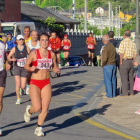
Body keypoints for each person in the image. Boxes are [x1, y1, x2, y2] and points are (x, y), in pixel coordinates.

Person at [24, 33, 60, 137]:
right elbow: (26, 65)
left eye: (46, 40)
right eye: (42, 40)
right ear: (39, 41)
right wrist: (30, 68)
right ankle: (29, 111)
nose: (44, 42)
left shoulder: (51, 54)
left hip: (46, 82)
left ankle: (39, 127)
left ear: (48, 41)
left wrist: (55, 69)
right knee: (37, 108)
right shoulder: (34, 53)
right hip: (35, 83)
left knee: (45, 108)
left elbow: (54, 66)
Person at [7, 35, 30, 104]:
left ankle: (22, 89)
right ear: (16, 41)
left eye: (22, 39)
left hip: (24, 68)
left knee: (22, 86)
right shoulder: (14, 49)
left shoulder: (27, 48)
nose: (21, 41)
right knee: (18, 84)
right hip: (17, 67)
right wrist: (11, 59)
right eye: (19, 39)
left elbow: (31, 55)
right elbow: (8, 57)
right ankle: (18, 98)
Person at [118, 30, 137, 96]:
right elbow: (135, 54)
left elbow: (121, 53)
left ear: (124, 35)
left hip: (125, 61)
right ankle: (132, 92)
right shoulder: (133, 43)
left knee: (124, 77)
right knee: (131, 77)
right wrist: (133, 60)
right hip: (131, 61)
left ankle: (125, 93)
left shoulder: (122, 42)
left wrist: (121, 62)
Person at [0, 21, 11, 135]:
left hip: (1, 72)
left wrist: (7, 62)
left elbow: (4, 56)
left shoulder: (3, 41)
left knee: (0, 99)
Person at [25, 30, 40, 95]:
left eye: (36, 35)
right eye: (33, 35)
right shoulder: (27, 43)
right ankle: (28, 86)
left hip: (38, 61)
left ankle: (37, 87)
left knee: (38, 75)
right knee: (29, 76)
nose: (35, 36)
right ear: (31, 36)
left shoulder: (39, 43)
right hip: (30, 61)